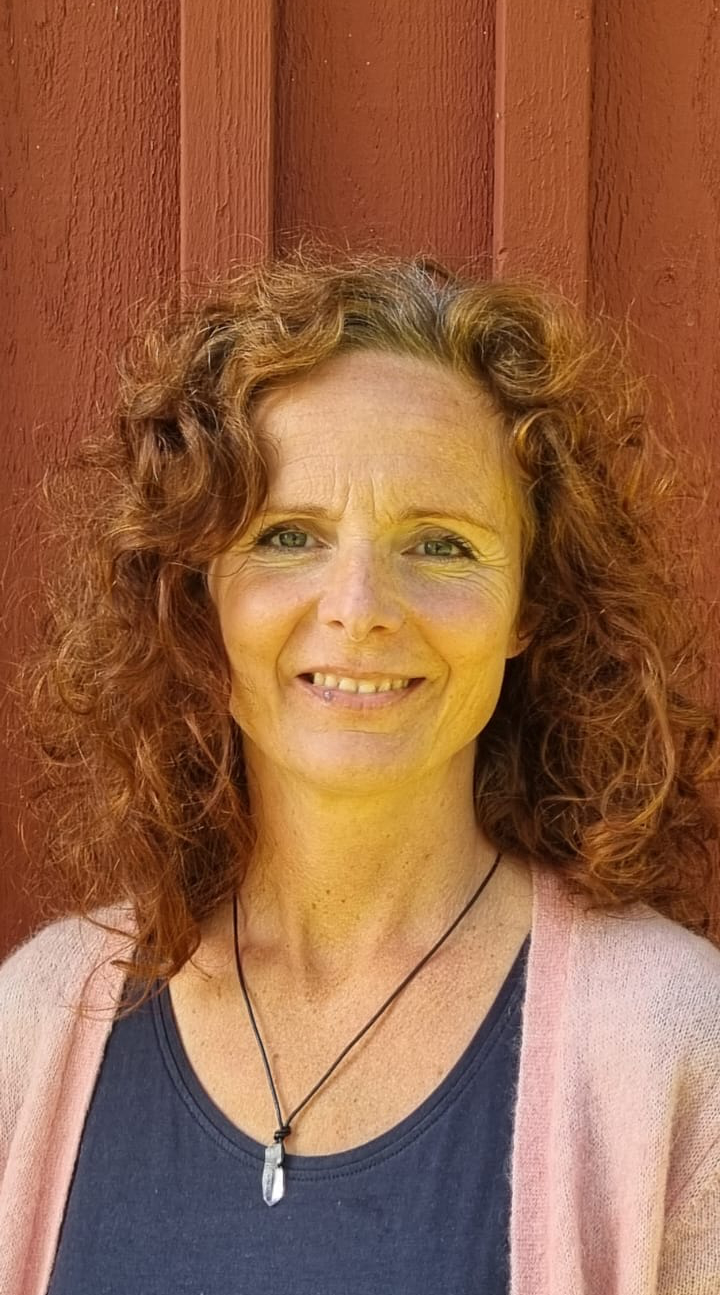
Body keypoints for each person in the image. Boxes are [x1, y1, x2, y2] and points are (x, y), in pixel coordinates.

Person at [1, 249, 719, 1295]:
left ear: (529, 603)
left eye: (441, 544)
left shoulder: (673, 1045)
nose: (360, 608)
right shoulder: (37, 1025)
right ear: (200, 592)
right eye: (289, 535)